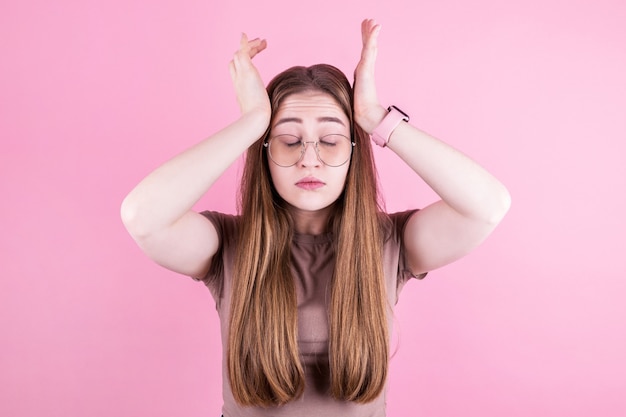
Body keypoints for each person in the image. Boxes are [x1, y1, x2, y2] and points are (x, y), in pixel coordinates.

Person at [121, 19, 511, 417]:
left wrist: (377, 120)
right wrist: (253, 122)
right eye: (289, 141)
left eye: (330, 140)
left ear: (353, 151)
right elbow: (142, 216)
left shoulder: (391, 242)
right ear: (266, 150)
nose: (310, 158)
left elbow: (487, 205)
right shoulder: (225, 244)